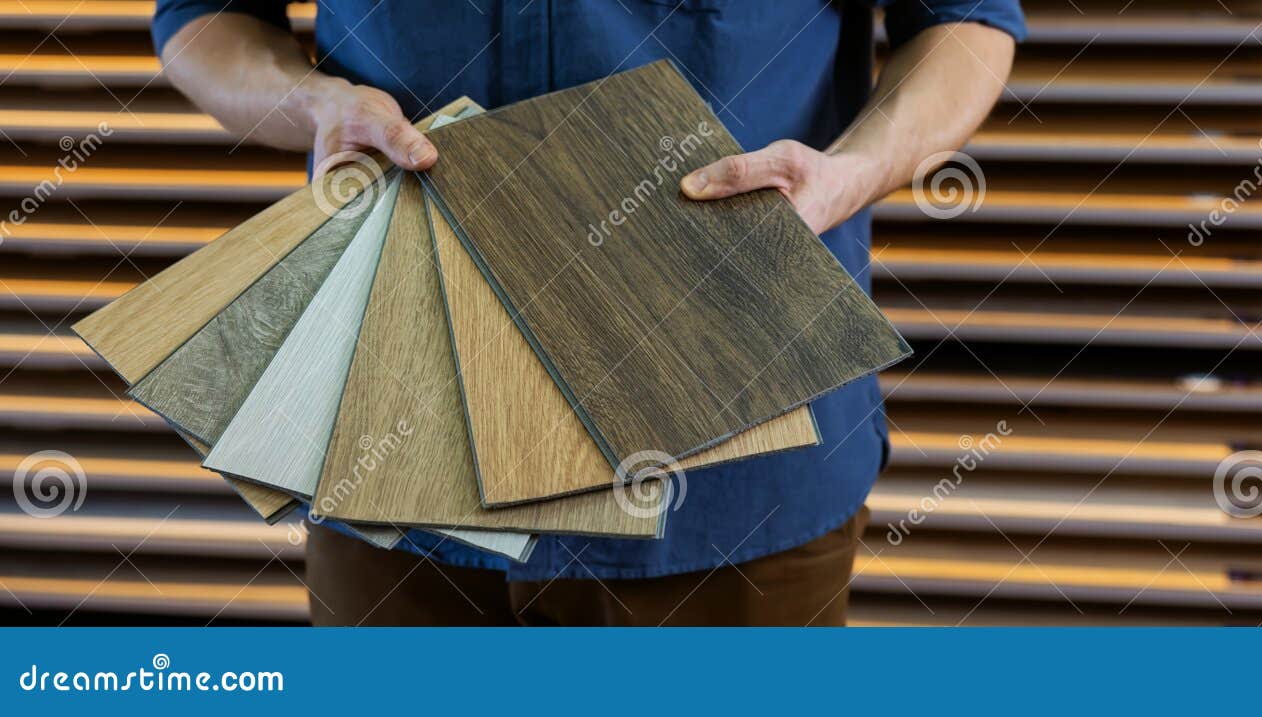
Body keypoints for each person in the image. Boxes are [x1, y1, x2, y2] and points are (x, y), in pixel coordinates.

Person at [153, 0, 1022, 626]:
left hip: (734, 468)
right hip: (398, 450)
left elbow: (967, 23)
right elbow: (202, 18)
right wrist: (311, 101)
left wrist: (855, 169)